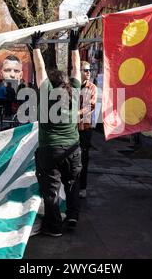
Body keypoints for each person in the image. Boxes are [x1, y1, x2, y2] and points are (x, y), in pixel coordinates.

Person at [32, 29, 82, 237]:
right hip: (73, 149)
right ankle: (72, 218)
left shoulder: (47, 94)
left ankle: (54, 228)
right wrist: (74, 47)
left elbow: (40, 68)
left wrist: (35, 47)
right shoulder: (76, 93)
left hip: (50, 150)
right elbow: (77, 69)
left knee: (51, 191)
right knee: (72, 184)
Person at [78, 61, 97, 199]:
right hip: (71, 129)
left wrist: (77, 113)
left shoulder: (92, 87)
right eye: (85, 70)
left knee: (84, 158)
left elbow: (92, 105)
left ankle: (82, 187)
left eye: (89, 70)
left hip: (85, 128)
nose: (89, 72)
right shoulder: (71, 86)